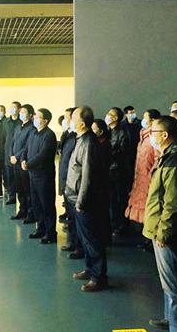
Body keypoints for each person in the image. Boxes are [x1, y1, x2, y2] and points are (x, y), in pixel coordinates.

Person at [144, 116, 177, 332]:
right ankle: (170, 319)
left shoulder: (175, 160)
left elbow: (173, 202)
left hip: (168, 232)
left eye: (153, 132)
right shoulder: (167, 156)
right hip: (160, 228)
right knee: (168, 282)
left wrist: (164, 232)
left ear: (164, 135)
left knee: (174, 283)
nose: (149, 136)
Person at [65, 106, 108, 292]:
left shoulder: (89, 143)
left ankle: (99, 277)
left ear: (82, 124)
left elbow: (88, 175)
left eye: (72, 119)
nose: (69, 121)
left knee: (92, 239)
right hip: (75, 196)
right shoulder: (81, 139)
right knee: (84, 237)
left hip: (84, 200)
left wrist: (82, 201)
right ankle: (90, 269)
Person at [125, 109, 161, 252]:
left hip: (149, 180)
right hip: (141, 179)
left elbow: (156, 159)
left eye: (146, 118)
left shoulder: (154, 138)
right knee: (145, 210)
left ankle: (152, 240)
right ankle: (148, 239)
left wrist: (151, 177)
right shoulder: (145, 136)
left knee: (150, 210)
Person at [22, 108, 58, 244]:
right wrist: (23, 159)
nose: (35, 118)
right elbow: (26, 148)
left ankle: (50, 233)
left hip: (44, 175)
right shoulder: (33, 132)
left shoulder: (49, 135)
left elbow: (43, 155)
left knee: (46, 204)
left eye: (38, 117)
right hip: (33, 174)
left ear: (45, 121)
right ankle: (40, 229)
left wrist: (28, 164)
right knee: (36, 203)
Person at [58, 108, 83, 258]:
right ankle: (74, 243)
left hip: (74, 185)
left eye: (69, 118)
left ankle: (79, 247)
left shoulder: (78, 139)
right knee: (71, 218)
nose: (66, 120)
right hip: (67, 183)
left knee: (77, 219)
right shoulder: (68, 136)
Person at [105, 107, 131, 236]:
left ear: (116, 118)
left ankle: (123, 225)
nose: (107, 115)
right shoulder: (108, 131)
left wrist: (108, 153)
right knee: (112, 200)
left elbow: (122, 151)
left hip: (119, 171)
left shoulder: (122, 132)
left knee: (121, 199)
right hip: (110, 170)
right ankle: (114, 224)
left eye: (110, 114)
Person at [10, 104, 37, 223]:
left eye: (24, 112)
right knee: (19, 188)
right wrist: (11, 155)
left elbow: (27, 146)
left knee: (27, 189)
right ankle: (22, 211)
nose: (21, 114)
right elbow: (13, 141)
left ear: (30, 114)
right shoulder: (18, 127)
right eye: (20, 112)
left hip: (23, 162)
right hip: (15, 162)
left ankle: (31, 213)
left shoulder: (31, 128)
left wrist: (17, 157)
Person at [92, 119, 113, 247]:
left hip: (102, 180)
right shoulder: (97, 142)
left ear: (100, 131)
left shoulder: (104, 143)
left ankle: (105, 238)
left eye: (94, 128)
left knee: (102, 211)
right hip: (99, 179)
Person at [3, 101, 22, 205]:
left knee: (19, 177)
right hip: (8, 152)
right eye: (10, 107)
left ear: (19, 110)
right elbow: (5, 136)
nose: (11, 109)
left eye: (14, 107)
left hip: (19, 153)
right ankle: (11, 196)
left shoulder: (21, 122)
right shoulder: (6, 122)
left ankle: (22, 198)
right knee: (9, 176)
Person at [122, 105, 142, 184]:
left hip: (137, 150)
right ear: (126, 115)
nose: (133, 114)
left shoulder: (140, 124)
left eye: (134, 112)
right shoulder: (122, 125)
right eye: (131, 113)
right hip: (127, 152)